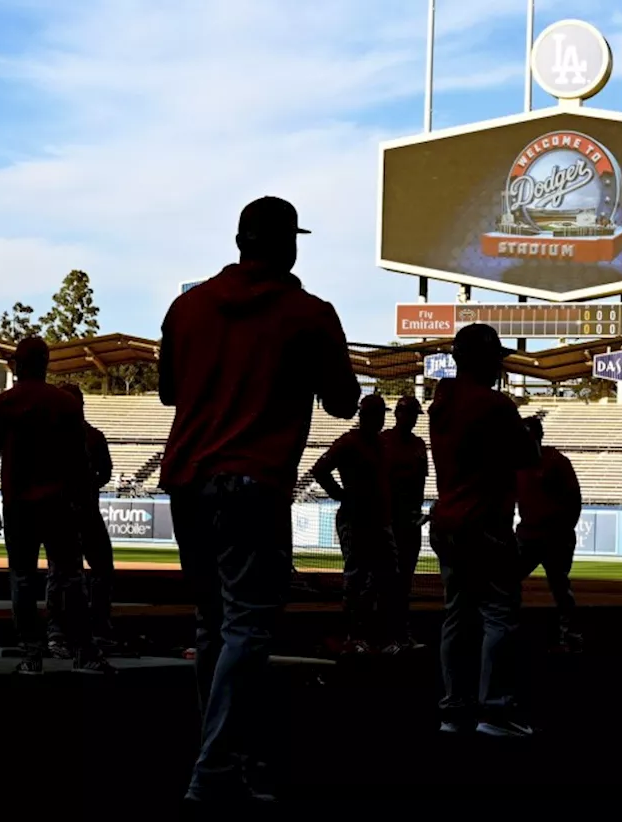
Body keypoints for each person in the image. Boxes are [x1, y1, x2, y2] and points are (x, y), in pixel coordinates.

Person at [160, 196, 359, 812]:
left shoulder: (187, 306)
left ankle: (222, 755)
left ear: (240, 240)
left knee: (211, 626)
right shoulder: (309, 313)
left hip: (189, 479)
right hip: (254, 483)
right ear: (289, 245)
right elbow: (344, 402)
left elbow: (169, 390)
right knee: (247, 626)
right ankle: (215, 766)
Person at [429, 323, 539, 738]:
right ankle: (493, 711)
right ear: (481, 359)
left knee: (456, 615)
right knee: (499, 616)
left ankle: (454, 709)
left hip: (448, 521)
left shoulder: (443, 401)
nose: (499, 365)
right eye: (495, 357)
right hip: (485, 524)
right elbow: (527, 456)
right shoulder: (494, 405)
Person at [0, 337, 114, 676]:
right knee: (70, 578)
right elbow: (79, 463)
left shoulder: (2, 403)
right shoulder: (64, 403)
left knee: (23, 579)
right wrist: (84, 507)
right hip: (59, 505)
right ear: (46, 363)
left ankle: (32, 653)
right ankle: (84, 649)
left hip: (18, 506)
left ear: (19, 365)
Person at [312, 393, 404, 654]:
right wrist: (341, 495)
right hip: (358, 520)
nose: (379, 420)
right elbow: (320, 469)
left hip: (378, 519)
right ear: (364, 416)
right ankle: (352, 635)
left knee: (382, 577)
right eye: (375, 414)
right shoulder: (350, 442)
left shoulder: (380, 444)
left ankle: (375, 634)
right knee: (358, 577)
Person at [45, 383, 117, 657]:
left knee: (67, 572)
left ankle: (73, 629)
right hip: (74, 513)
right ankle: (73, 629)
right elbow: (105, 473)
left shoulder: (83, 437)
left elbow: (106, 472)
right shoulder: (90, 436)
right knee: (69, 572)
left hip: (77, 512)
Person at [515, 416, 583, 651]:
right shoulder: (519, 465)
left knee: (560, 587)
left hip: (553, 537)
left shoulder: (556, 462)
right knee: (509, 581)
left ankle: (570, 634)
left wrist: (564, 531)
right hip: (529, 535)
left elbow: (574, 500)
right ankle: (511, 629)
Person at [380, 394, 429, 650]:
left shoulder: (419, 445)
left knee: (404, 580)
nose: (410, 419)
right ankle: (386, 634)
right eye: (407, 413)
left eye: (413, 415)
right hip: (387, 519)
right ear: (398, 414)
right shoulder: (384, 441)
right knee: (386, 578)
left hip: (410, 519)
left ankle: (400, 633)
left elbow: (421, 483)